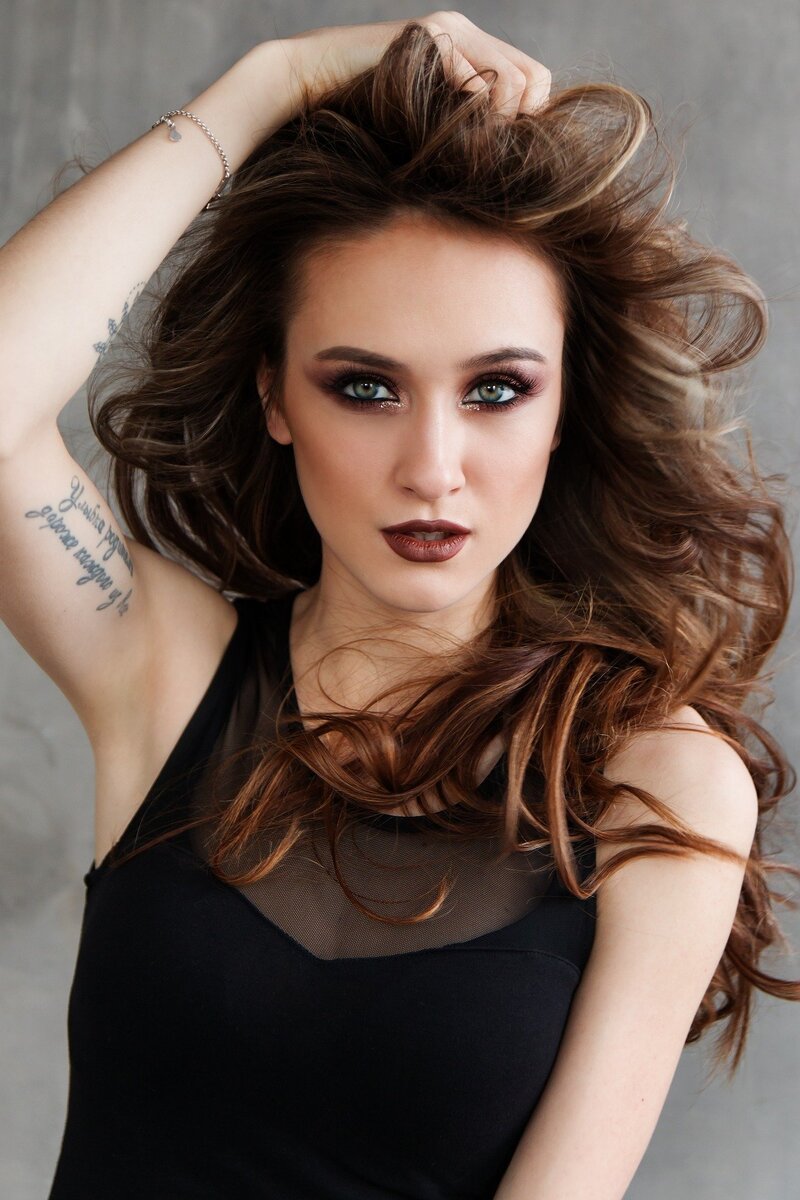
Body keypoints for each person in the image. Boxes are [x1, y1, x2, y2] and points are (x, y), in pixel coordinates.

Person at [1, 11, 797, 1200]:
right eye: (365, 388)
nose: (432, 468)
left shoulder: (653, 785)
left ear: (564, 408)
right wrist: (271, 81)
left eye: (496, 390)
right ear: (275, 398)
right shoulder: (164, 673)